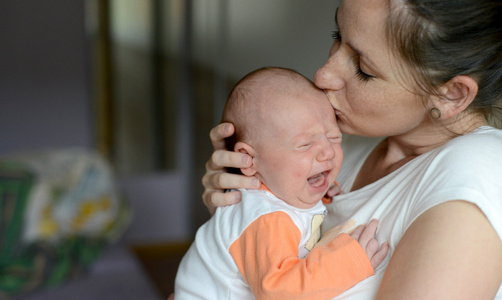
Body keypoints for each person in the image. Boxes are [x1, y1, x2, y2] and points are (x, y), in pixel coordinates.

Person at [202, 1, 502, 299]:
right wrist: (244, 211)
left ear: (451, 94)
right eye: (337, 36)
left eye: (362, 68)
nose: (322, 75)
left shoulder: (478, 171)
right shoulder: (342, 144)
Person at [175, 67, 389, 299]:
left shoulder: (280, 190)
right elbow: (277, 290)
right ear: (249, 160)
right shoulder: (265, 218)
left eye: (334, 137)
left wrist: (323, 190)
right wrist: (348, 263)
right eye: (305, 144)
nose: (327, 151)